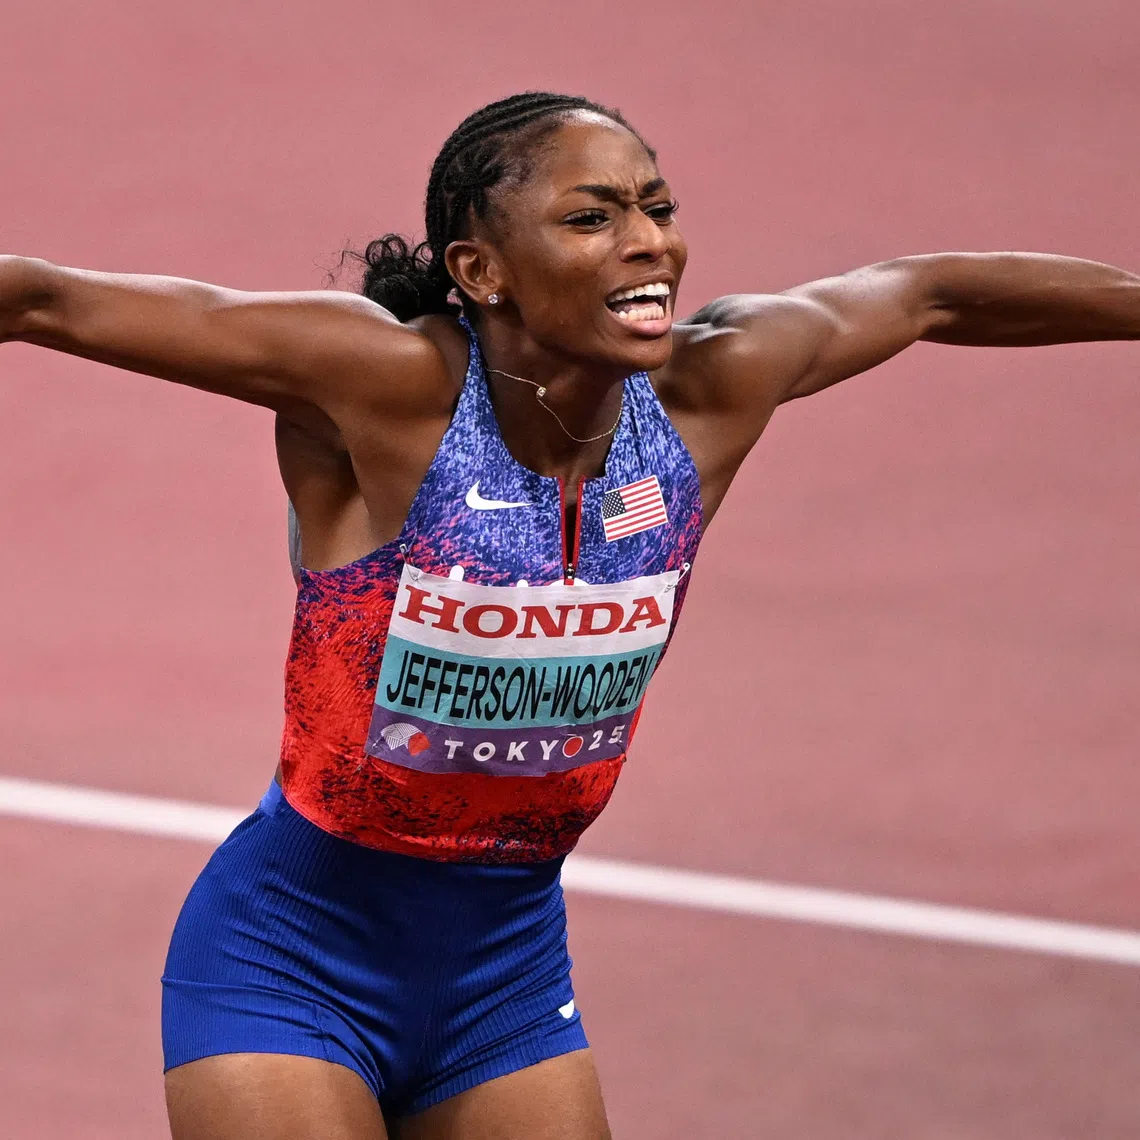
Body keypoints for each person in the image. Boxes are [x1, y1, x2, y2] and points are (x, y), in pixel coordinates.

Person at [1, 90, 1137, 1140]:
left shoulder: (711, 391)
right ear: (481, 268)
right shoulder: (386, 386)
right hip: (291, 957)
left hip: (503, 970)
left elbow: (930, 292)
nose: (650, 242)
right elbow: (46, 299)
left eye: (656, 207)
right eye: (593, 218)